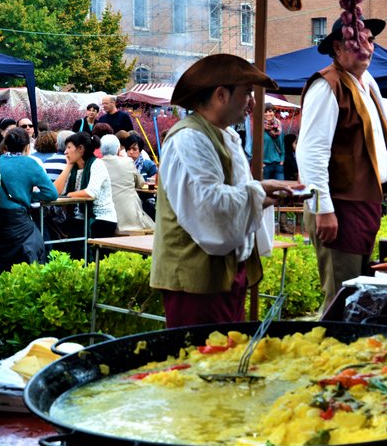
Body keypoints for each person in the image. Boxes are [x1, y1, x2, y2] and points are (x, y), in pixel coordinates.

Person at [149, 53, 298, 328]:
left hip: (226, 273)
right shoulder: (189, 138)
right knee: (201, 361)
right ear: (221, 94)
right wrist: (259, 192)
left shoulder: (225, 135)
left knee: (228, 360)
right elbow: (210, 204)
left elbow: (233, 194)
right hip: (196, 282)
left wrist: (262, 196)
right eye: (247, 93)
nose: (253, 102)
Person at [296, 17, 387, 312]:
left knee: (359, 292)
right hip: (340, 205)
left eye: (370, 40)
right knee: (341, 296)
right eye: (358, 41)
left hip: (364, 201)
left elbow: (369, 146)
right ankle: (332, 351)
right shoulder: (327, 85)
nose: (368, 47)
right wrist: (322, 209)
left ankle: (352, 351)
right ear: (337, 47)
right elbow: (311, 153)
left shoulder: (367, 83)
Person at [0, 128, 58, 272]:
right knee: (32, 253)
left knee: (4, 260)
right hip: (20, 219)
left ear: (6, 145)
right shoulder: (31, 163)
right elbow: (51, 193)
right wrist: (29, 196)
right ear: (27, 146)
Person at [53, 132, 117, 246]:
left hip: (100, 218)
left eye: (69, 147)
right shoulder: (73, 169)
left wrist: (69, 195)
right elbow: (56, 192)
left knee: (71, 243)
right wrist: (68, 166)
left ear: (81, 149)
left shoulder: (97, 164)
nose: (65, 152)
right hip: (79, 218)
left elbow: (90, 193)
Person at [99, 134, 154, 233]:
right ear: (118, 148)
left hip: (104, 216)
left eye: (134, 149)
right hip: (130, 216)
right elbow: (142, 185)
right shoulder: (128, 162)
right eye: (128, 149)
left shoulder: (96, 164)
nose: (131, 152)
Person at [262, 103, 285, 180]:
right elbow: (254, 147)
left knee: (281, 191)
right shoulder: (260, 127)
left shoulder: (279, 127)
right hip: (265, 165)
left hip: (278, 164)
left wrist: (282, 160)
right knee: (264, 191)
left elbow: (282, 144)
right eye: (265, 112)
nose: (268, 114)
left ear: (274, 112)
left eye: (270, 111)